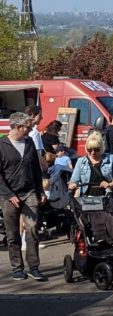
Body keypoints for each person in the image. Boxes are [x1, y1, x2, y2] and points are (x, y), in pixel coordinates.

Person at [0, 112, 47, 281]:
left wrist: (40, 190)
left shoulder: (29, 143)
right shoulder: (2, 145)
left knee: (32, 227)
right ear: (18, 127)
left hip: (29, 192)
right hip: (9, 195)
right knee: (12, 233)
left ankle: (33, 267)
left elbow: (35, 168)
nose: (30, 129)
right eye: (27, 127)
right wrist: (8, 194)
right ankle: (17, 267)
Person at [67, 131, 113, 249]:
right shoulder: (81, 161)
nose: (93, 153)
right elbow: (73, 180)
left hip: (106, 196)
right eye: (90, 149)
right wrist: (72, 185)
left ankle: (108, 242)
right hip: (88, 197)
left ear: (101, 148)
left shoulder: (110, 158)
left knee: (107, 222)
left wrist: (109, 184)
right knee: (88, 224)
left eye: (96, 150)